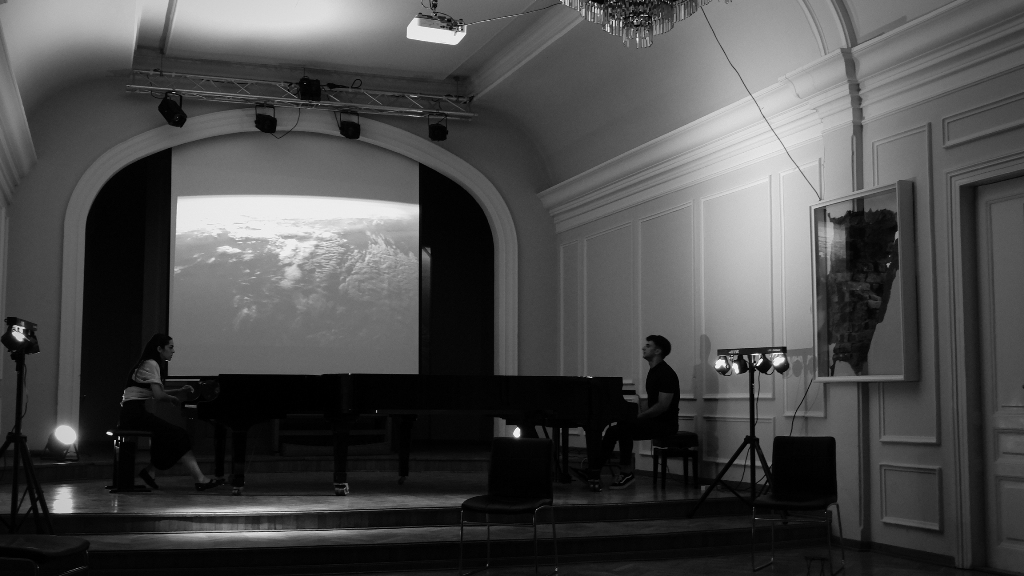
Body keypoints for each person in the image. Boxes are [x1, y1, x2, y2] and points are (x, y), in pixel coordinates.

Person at [118, 334, 222, 491]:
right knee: (180, 435)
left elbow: (154, 393)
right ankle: (200, 479)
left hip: (131, 413)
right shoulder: (152, 364)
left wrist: (178, 391)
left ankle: (150, 471)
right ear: (160, 349)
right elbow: (159, 396)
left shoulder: (147, 363)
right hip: (134, 415)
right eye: (170, 347)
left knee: (167, 436)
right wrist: (172, 398)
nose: (173, 351)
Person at [593, 335, 680, 490]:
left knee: (624, 428)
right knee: (615, 429)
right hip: (655, 421)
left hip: (666, 425)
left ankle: (626, 472)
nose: (643, 348)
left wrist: (639, 416)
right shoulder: (653, 371)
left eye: (648, 345)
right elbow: (651, 402)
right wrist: (632, 412)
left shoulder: (666, 373)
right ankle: (595, 470)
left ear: (658, 351)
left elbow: (662, 406)